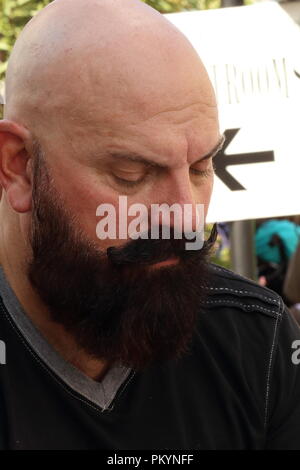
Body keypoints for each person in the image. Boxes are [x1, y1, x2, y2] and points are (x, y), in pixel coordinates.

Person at [0, 0, 300, 450]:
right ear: (19, 167)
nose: (186, 217)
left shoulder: (257, 343)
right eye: (132, 175)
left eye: (202, 167)